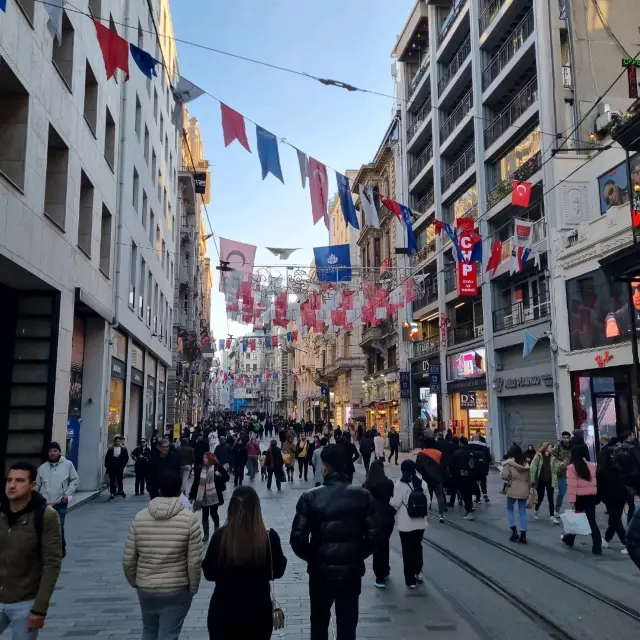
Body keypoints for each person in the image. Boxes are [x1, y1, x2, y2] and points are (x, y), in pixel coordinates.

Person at [290, 444, 381, 640]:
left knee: (319, 622)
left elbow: (297, 539)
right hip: (350, 572)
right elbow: (376, 535)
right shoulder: (362, 496)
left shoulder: (310, 497)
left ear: (324, 467)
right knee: (347, 624)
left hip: (320, 573)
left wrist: (314, 556)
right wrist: (356, 554)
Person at [123, 471, 202, 640]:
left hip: (146, 588)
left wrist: (136, 582)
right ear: (179, 491)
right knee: (168, 634)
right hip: (176, 588)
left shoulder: (140, 517)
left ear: (158, 490)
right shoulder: (189, 519)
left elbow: (129, 558)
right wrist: (192, 588)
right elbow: (194, 561)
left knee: (149, 630)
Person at [202, 486, 287, 639]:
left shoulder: (220, 537)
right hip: (258, 612)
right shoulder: (268, 537)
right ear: (257, 509)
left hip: (223, 612)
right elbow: (278, 570)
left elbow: (209, 573)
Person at [0, 462, 62, 638]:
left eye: (20, 481)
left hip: (25, 602)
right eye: (9, 480)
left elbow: (52, 564)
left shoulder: (46, 515)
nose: (12, 485)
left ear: (33, 485)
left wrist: (40, 608)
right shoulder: (1, 513)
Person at [36, 441, 79, 558]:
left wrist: (67, 494)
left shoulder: (68, 464)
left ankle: (60, 547)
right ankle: (47, 548)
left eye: (55, 451)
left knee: (59, 525)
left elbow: (75, 480)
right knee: (45, 527)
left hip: (60, 501)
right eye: (50, 451)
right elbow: (36, 486)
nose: (52, 453)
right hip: (45, 503)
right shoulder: (42, 468)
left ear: (59, 452)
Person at [390, 459, 429, 589]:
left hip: (406, 524)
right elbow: (427, 503)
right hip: (420, 522)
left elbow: (395, 503)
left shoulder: (400, 484)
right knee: (418, 547)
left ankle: (410, 579)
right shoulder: (422, 483)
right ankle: (419, 572)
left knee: (407, 550)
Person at [561, 446, 602, 555]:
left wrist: (572, 501)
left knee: (576, 519)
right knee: (592, 521)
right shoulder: (592, 466)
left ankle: (569, 538)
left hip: (580, 498)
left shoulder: (572, 468)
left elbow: (572, 486)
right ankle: (597, 546)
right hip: (591, 497)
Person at [363, 460, 395, 589]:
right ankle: (385, 570)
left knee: (377, 547)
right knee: (385, 544)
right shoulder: (389, 483)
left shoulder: (367, 484)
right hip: (388, 519)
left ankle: (379, 577)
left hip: (373, 520)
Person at [596, 436, 628, 552]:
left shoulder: (602, 471)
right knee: (615, 519)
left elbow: (600, 486)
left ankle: (625, 543)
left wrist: (599, 497)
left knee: (615, 520)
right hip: (619, 497)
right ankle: (608, 539)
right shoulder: (618, 468)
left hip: (610, 498)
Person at [194, 452, 228, 541]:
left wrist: (219, 475)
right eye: (203, 458)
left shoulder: (218, 467)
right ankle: (206, 534)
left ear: (210, 459)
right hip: (203, 496)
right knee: (204, 515)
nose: (203, 459)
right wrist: (191, 495)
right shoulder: (200, 469)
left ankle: (216, 532)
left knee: (214, 513)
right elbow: (195, 483)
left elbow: (226, 477)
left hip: (214, 495)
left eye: (205, 458)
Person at [501, 445, 531, 543]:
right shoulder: (526, 464)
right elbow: (529, 478)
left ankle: (514, 532)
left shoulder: (509, 463)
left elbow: (504, 476)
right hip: (524, 489)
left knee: (510, 509)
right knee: (522, 511)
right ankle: (523, 535)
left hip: (512, 489)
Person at [416, 438, 446, 522]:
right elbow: (444, 466)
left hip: (426, 478)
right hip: (437, 478)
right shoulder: (439, 453)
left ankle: (425, 512)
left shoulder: (421, 453)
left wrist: (423, 472)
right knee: (440, 497)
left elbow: (417, 466)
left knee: (426, 495)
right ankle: (441, 515)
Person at [530, 442, 559, 524]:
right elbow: (533, 467)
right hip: (541, 480)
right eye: (550, 447)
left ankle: (552, 516)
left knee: (551, 498)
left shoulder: (553, 457)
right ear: (546, 448)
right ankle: (536, 510)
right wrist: (532, 479)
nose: (552, 448)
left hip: (550, 480)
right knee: (540, 497)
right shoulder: (538, 456)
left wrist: (562, 465)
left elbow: (556, 466)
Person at [450, 437, 476, 520]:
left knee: (464, 494)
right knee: (469, 493)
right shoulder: (471, 453)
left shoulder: (456, 453)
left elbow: (452, 466)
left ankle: (469, 512)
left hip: (460, 476)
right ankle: (469, 509)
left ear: (461, 443)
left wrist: (453, 475)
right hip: (471, 476)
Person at [468, 434, 491, 503]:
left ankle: (478, 497)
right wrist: (486, 466)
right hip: (483, 468)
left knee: (475, 482)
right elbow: (489, 458)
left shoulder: (470, 446)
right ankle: (485, 493)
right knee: (483, 481)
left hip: (474, 468)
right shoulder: (484, 447)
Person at [104, 435, 129, 500]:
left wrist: (123, 465)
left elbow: (126, 458)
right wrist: (107, 466)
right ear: (114, 442)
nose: (117, 442)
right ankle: (112, 492)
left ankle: (120, 490)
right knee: (112, 480)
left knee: (119, 479)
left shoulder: (123, 449)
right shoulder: (111, 449)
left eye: (118, 441)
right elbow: (107, 458)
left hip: (120, 467)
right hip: (112, 467)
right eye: (116, 441)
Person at [553, 431, 572, 514]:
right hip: (562, 473)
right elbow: (553, 458)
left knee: (573, 492)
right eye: (564, 438)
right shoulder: (558, 447)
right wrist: (561, 464)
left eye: (567, 438)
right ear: (562, 438)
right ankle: (556, 510)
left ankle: (576, 510)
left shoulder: (573, 446)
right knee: (562, 492)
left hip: (572, 473)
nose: (566, 439)